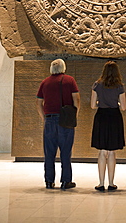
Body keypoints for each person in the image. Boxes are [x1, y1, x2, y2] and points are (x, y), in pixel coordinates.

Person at [36, 59, 80, 190]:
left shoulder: (45, 82)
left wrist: (44, 117)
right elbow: (76, 99)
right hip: (65, 120)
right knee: (66, 152)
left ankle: (49, 181)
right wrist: (74, 116)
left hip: (49, 120)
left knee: (49, 153)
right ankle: (66, 181)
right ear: (63, 67)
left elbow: (38, 103)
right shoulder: (69, 80)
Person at [91, 61, 126, 192]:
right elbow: (123, 107)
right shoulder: (119, 86)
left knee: (102, 151)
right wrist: (114, 102)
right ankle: (111, 183)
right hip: (115, 117)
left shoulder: (97, 85)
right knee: (112, 152)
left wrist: (101, 102)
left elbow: (92, 105)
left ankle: (100, 183)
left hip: (101, 117)